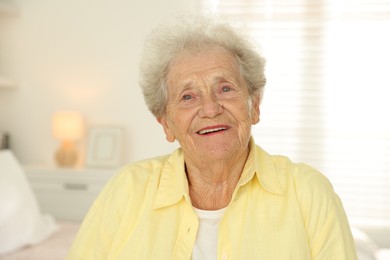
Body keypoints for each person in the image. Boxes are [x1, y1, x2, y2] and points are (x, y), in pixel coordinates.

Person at [67, 15, 357, 259]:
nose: (209, 108)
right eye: (188, 96)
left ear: (254, 105)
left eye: (226, 89)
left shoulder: (307, 192)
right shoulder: (128, 190)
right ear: (166, 124)